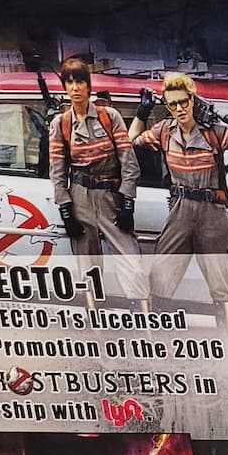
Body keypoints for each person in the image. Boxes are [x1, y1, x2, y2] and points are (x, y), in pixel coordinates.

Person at [133, 73, 228, 324]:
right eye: (172, 104)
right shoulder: (164, 131)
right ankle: (160, 342)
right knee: (161, 274)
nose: (179, 108)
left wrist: (217, 115)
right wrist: (142, 113)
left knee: (220, 281)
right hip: (180, 210)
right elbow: (133, 139)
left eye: (184, 102)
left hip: (211, 211)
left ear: (192, 100)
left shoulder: (214, 133)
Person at [48, 58, 147, 306]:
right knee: (88, 265)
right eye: (69, 82)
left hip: (110, 196)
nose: (75, 88)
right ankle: (96, 328)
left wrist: (127, 201)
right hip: (80, 196)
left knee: (132, 262)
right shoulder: (61, 123)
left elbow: (128, 160)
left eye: (80, 81)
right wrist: (65, 209)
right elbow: (57, 170)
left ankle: (146, 330)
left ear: (88, 85)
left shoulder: (108, 115)